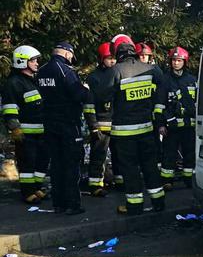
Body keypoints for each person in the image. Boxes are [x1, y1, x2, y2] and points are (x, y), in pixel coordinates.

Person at [106, 34, 167, 215]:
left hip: (124, 133)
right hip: (147, 129)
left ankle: (134, 206)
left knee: (130, 168)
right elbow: (161, 92)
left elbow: (103, 96)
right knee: (150, 165)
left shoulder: (115, 71)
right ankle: (158, 202)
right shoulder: (151, 70)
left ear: (117, 53)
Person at [37, 42, 90, 215]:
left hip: (49, 124)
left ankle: (58, 203)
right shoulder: (66, 71)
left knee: (56, 164)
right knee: (71, 164)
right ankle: (72, 204)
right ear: (67, 54)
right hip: (68, 123)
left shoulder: (42, 71)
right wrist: (86, 90)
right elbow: (78, 94)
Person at [1, 45, 49, 203]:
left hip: (41, 131)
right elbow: (10, 108)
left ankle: (37, 187)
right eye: (33, 60)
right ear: (22, 62)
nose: (36, 63)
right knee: (27, 164)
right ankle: (28, 192)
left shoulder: (34, 81)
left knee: (41, 161)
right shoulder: (14, 83)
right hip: (26, 133)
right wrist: (15, 127)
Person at [161, 46, 197, 189]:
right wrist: (162, 124)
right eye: (174, 60)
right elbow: (160, 104)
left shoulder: (192, 80)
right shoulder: (165, 80)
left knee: (189, 153)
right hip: (172, 125)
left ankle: (189, 180)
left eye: (179, 60)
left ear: (184, 62)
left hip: (189, 125)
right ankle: (166, 181)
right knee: (169, 154)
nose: (176, 63)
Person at [84, 42, 117, 196]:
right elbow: (89, 105)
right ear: (102, 59)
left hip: (118, 124)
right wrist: (93, 125)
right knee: (98, 156)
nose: (112, 61)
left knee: (120, 156)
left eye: (114, 58)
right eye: (109, 58)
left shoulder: (118, 73)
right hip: (101, 124)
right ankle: (95, 185)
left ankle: (120, 181)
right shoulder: (94, 78)